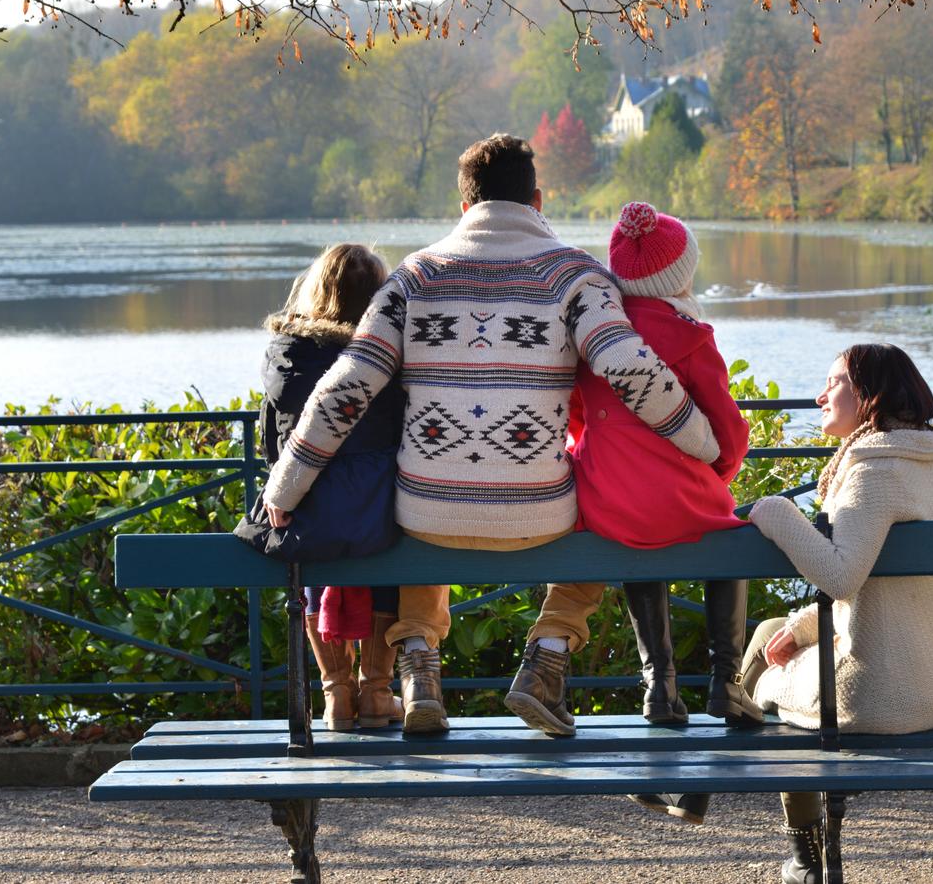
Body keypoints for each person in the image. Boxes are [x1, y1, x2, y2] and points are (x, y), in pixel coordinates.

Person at [261, 134, 720, 736]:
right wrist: (703, 444)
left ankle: (419, 661)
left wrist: (285, 486)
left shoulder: (413, 278)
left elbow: (348, 388)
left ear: (463, 207)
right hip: (540, 512)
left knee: (430, 490)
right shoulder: (577, 276)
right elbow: (630, 370)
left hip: (428, 512)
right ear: (538, 200)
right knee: (605, 514)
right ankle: (547, 655)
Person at [635, 344, 933, 884]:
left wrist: (773, 511)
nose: (820, 396)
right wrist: (800, 629)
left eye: (833, 382)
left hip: (882, 691)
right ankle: (702, 787)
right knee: (772, 633)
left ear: (869, 394)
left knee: (762, 694)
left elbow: (840, 578)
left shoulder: (875, 472)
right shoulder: (923, 463)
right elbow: (878, 590)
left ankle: (798, 853)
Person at [566, 202, 760, 727]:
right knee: (732, 536)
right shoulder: (690, 335)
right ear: (680, 276)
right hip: (678, 497)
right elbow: (727, 433)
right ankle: (727, 681)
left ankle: (659, 685)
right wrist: (715, 477)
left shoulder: (597, 334)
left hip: (608, 500)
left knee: (639, 540)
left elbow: (577, 417)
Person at [258, 243, 406, 731]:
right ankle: (377, 692)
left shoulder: (286, 355)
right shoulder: (386, 354)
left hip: (306, 513)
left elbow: (272, 444)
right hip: (379, 510)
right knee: (391, 559)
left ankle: (336, 694)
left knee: (310, 559)